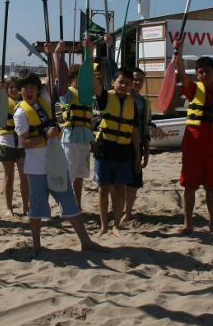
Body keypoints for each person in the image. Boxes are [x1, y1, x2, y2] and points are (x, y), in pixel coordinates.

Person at [14, 70, 102, 258]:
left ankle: (86, 242)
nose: (29, 91)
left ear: (37, 89)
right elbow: (25, 143)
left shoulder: (44, 101)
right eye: (25, 88)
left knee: (68, 200)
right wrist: (46, 137)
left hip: (55, 163)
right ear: (20, 91)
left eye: (32, 87)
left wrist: (55, 53)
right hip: (36, 168)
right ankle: (36, 245)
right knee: (36, 206)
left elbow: (54, 76)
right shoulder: (21, 113)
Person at [172, 39, 213, 234]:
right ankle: (187, 223)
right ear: (197, 74)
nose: (204, 74)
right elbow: (181, 71)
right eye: (200, 72)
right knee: (189, 187)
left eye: (208, 71)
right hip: (192, 148)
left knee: (211, 188)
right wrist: (178, 50)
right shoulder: (192, 89)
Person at [91, 40, 141, 236]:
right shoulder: (105, 97)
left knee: (120, 189)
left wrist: (137, 156)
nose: (123, 86)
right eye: (120, 82)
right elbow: (94, 81)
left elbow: (134, 132)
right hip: (105, 147)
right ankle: (104, 226)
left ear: (130, 87)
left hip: (123, 150)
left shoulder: (132, 104)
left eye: (127, 84)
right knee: (103, 189)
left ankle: (117, 225)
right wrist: (93, 55)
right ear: (113, 82)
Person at [60, 63, 94, 211]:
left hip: (85, 138)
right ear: (72, 78)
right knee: (69, 174)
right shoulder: (67, 93)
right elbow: (60, 84)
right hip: (70, 138)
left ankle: (77, 205)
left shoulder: (87, 96)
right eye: (79, 77)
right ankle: (66, 206)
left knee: (79, 175)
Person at [0, 76, 28, 216]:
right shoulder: (3, 101)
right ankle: (9, 208)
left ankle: (26, 207)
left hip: (21, 144)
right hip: (6, 142)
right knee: (9, 176)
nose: (13, 90)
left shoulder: (25, 103)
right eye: (10, 87)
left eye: (15, 87)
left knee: (24, 177)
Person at [122, 68, 152, 223]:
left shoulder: (145, 102)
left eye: (140, 80)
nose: (137, 82)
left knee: (133, 181)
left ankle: (128, 213)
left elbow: (145, 128)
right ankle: (119, 211)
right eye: (135, 79)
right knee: (119, 181)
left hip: (137, 146)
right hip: (121, 143)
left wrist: (146, 152)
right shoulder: (121, 98)